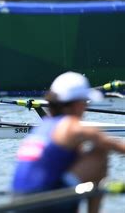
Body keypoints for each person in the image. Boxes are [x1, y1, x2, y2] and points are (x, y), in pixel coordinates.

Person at [11, 71, 125, 213]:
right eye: (85, 102)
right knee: (98, 153)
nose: (85, 108)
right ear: (77, 104)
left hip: (16, 200)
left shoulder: (43, 126)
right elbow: (113, 145)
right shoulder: (71, 125)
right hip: (44, 204)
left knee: (77, 154)